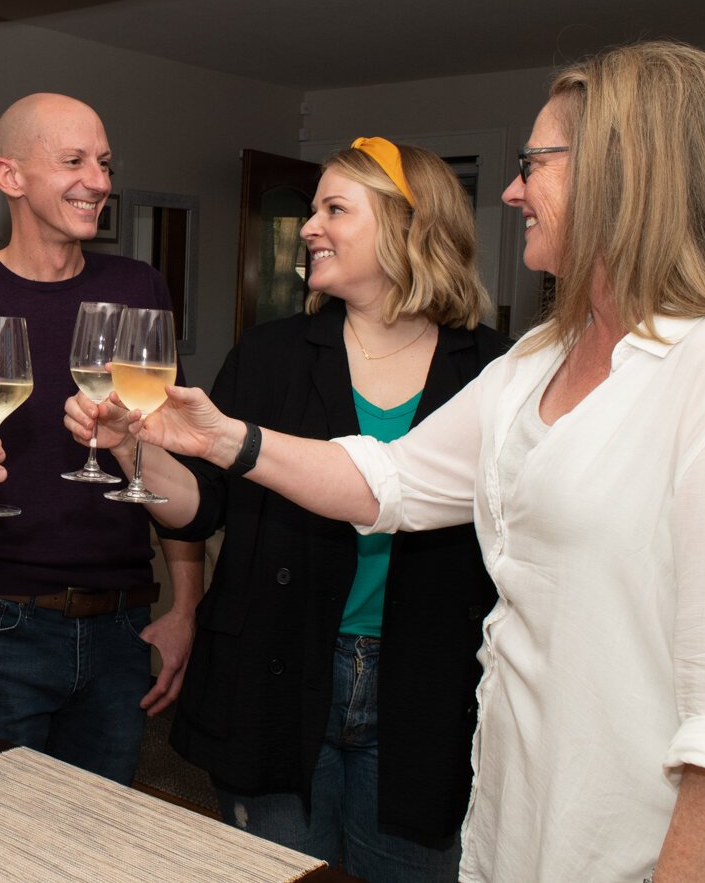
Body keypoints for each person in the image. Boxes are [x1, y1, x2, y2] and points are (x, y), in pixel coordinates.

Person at [124, 41, 705, 880]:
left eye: (532, 163)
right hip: (520, 825)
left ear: (626, 173)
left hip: (638, 843)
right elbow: (390, 480)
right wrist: (225, 439)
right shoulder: (540, 358)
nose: (511, 191)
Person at [71, 138, 506, 878]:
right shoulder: (271, 353)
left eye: (335, 208)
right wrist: (128, 451)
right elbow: (203, 511)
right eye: (311, 208)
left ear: (408, 226)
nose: (308, 227)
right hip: (276, 671)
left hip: (426, 687)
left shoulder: (495, 369)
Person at [0, 92, 203, 786]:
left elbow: (170, 457)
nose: (98, 180)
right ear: (10, 177)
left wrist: (185, 606)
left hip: (124, 623)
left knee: (97, 841)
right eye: (73, 161)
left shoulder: (140, 285)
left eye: (103, 162)